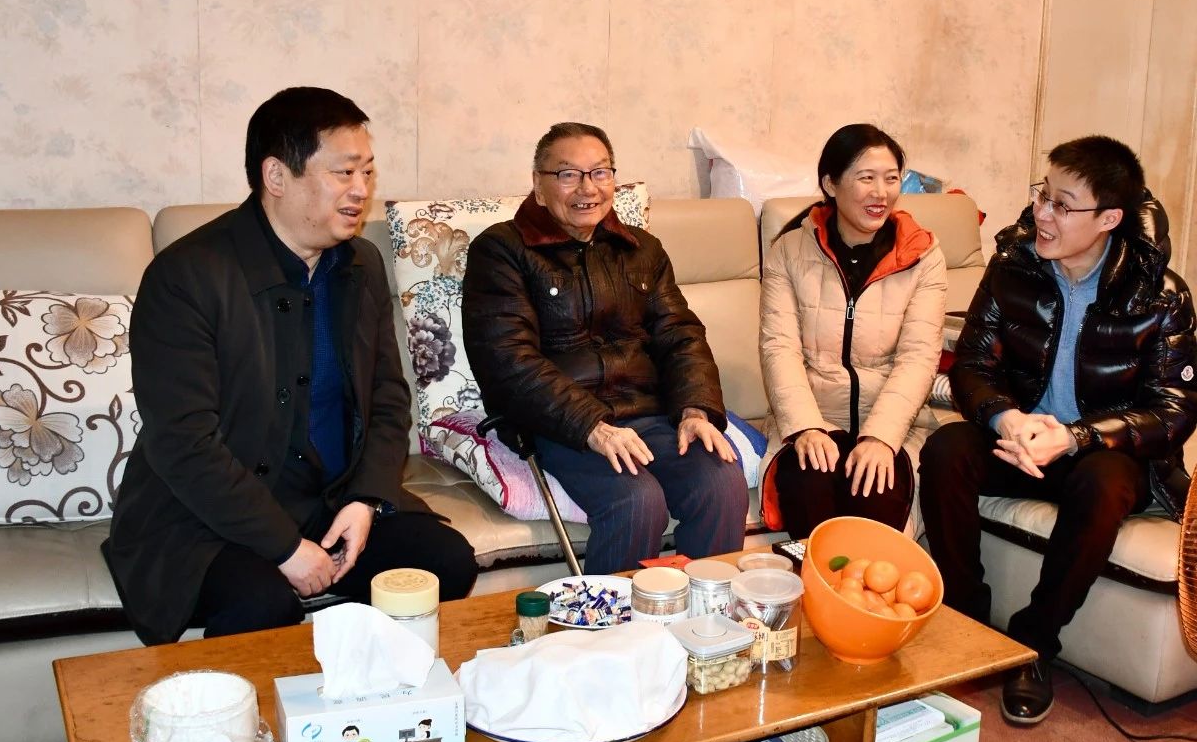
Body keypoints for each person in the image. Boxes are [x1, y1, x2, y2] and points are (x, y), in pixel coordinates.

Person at [103, 87, 478, 645]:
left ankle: (369, 687)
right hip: (206, 515)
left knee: (443, 563)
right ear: (276, 175)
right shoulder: (187, 276)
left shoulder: (360, 263)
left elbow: (387, 399)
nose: (361, 190)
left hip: (329, 499)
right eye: (344, 172)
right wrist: (284, 548)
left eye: (367, 172)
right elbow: (182, 442)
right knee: (262, 604)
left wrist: (366, 499)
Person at [918, 135, 1196, 724]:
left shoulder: (1160, 295)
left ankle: (1034, 644)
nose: (1043, 214)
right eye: (1043, 195)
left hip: (1101, 454)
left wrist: (1077, 437)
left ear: (1109, 219)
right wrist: (1007, 418)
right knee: (946, 448)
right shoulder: (1013, 266)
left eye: (1063, 205)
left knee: (1104, 481)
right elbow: (971, 364)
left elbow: (1174, 413)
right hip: (1022, 440)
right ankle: (967, 621)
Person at [461, 122, 749, 574]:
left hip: (647, 413)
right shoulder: (502, 251)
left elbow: (680, 334)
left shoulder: (641, 249)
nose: (588, 188)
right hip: (556, 422)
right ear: (538, 185)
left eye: (600, 172)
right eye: (568, 175)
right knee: (637, 500)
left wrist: (695, 409)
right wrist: (592, 426)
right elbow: (507, 360)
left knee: (720, 483)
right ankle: (610, 618)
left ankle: (705, 611)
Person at [760, 124, 947, 539]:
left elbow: (919, 357)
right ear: (831, 184)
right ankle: (813, 582)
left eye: (891, 178)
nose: (881, 192)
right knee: (808, 484)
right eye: (866, 178)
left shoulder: (923, 256)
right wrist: (806, 427)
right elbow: (779, 347)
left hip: (891, 423)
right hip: (815, 417)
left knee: (875, 498)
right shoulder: (788, 252)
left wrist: (881, 437)